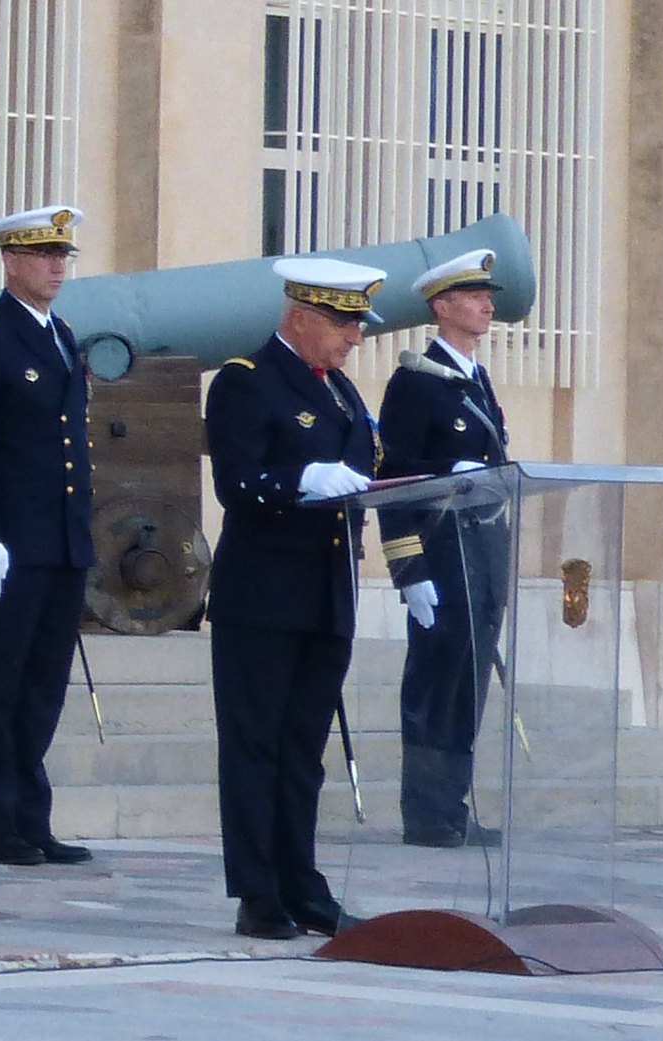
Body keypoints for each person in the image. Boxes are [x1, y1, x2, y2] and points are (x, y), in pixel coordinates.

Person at [202, 257, 384, 940]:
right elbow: (238, 481)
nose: (354, 338)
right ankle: (259, 891)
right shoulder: (246, 381)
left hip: (327, 593)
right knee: (255, 744)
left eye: (356, 325)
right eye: (342, 323)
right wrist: (303, 476)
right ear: (300, 317)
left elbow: (372, 470)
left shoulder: (341, 391)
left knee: (304, 747)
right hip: (264, 594)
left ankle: (302, 881)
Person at [0, 204, 95, 867]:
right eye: (43, 254)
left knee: (43, 685)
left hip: (61, 541)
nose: (57, 266)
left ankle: (32, 816)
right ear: (10, 261)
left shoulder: (61, 333)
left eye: (64, 255)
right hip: (12, 543)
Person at [376, 248, 512, 849]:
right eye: (474, 296)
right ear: (441, 306)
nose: (487, 305)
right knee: (436, 684)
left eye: (489, 296)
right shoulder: (414, 381)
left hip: (481, 549)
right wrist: (408, 568)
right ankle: (426, 812)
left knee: (470, 681)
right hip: (437, 551)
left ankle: (452, 807)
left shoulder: (475, 381)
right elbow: (395, 478)